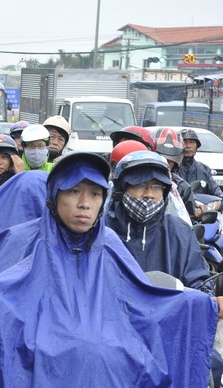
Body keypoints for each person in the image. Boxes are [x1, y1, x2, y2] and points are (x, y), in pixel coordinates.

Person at [0, 151, 218, 387]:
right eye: (74, 191)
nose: (85, 204)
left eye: (95, 194)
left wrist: (200, 304)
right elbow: (0, 296)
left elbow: (139, 298)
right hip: (38, 366)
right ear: (55, 196)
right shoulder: (25, 240)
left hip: (112, 368)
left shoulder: (109, 243)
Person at [106, 150, 223, 386]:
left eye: (156, 187)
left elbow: (198, 283)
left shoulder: (179, 231)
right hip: (110, 332)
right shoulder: (101, 230)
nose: (148, 195)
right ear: (121, 189)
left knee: (211, 364)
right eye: (139, 185)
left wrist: (208, 303)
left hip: (167, 333)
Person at [153, 127, 194, 217]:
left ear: (176, 163)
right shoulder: (138, 181)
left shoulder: (183, 188)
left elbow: (189, 222)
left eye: (169, 161)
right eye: (161, 159)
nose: (165, 164)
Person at [179, 128, 223, 198]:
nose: (188, 146)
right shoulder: (172, 168)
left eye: (192, 142)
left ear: (197, 146)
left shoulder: (204, 170)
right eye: (185, 142)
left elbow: (218, 194)